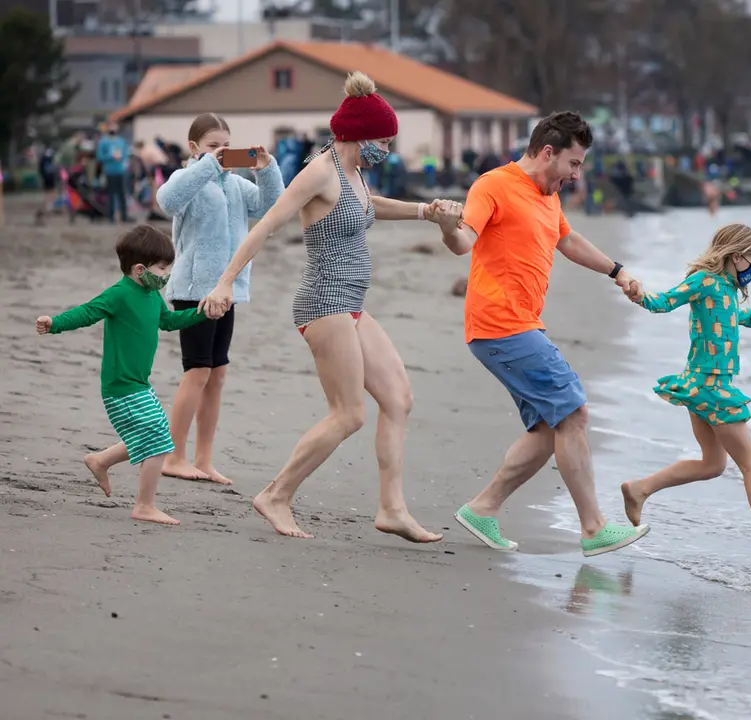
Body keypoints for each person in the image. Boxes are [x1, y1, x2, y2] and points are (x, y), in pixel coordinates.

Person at [199, 71, 446, 542]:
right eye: (383, 140)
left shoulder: (352, 173)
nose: (387, 149)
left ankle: (392, 509)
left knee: (398, 399)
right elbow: (267, 224)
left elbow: (369, 207)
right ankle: (276, 495)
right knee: (349, 413)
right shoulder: (320, 170)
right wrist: (225, 283)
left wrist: (423, 212)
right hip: (322, 303)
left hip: (352, 303)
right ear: (359, 135)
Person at [432, 111, 650, 557]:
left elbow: (566, 241)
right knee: (574, 413)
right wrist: (444, 225)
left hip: (520, 324)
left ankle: (483, 509)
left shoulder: (548, 195)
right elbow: (462, 242)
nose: (577, 173)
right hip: (500, 324)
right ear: (548, 152)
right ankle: (593, 527)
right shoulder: (494, 185)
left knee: (553, 428)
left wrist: (617, 270)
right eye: (574, 163)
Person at [620, 223, 751, 563]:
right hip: (712, 386)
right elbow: (663, 302)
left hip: (700, 384)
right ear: (738, 255)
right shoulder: (703, 280)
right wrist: (638, 294)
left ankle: (641, 488)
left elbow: (718, 314)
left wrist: (742, 317)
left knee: (713, 464)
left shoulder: (726, 287)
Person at [35, 225, 207, 525]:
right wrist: (55, 323)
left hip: (139, 383)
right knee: (160, 440)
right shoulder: (120, 294)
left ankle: (100, 460)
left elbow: (167, 322)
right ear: (140, 269)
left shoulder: (151, 296)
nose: (167, 275)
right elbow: (87, 312)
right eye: (163, 269)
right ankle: (144, 505)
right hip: (121, 386)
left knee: (152, 436)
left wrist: (203, 313)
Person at [156, 113, 285, 485]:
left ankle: (204, 458)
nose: (222, 152)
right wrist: (207, 165)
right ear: (194, 147)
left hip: (228, 292)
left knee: (217, 374)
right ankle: (174, 456)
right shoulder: (188, 178)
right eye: (214, 146)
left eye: (226, 146)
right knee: (196, 371)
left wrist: (266, 168)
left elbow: (270, 210)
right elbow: (168, 200)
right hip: (194, 290)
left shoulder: (236, 185)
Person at [96, 123, 131, 223]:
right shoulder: (103, 142)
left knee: (122, 195)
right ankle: (111, 217)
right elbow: (100, 157)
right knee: (110, 195)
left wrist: (122, 160)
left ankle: (124, 216)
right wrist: (111, 156)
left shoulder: (121, 141)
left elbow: (125, 155)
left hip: (121, 171)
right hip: (109, 171)